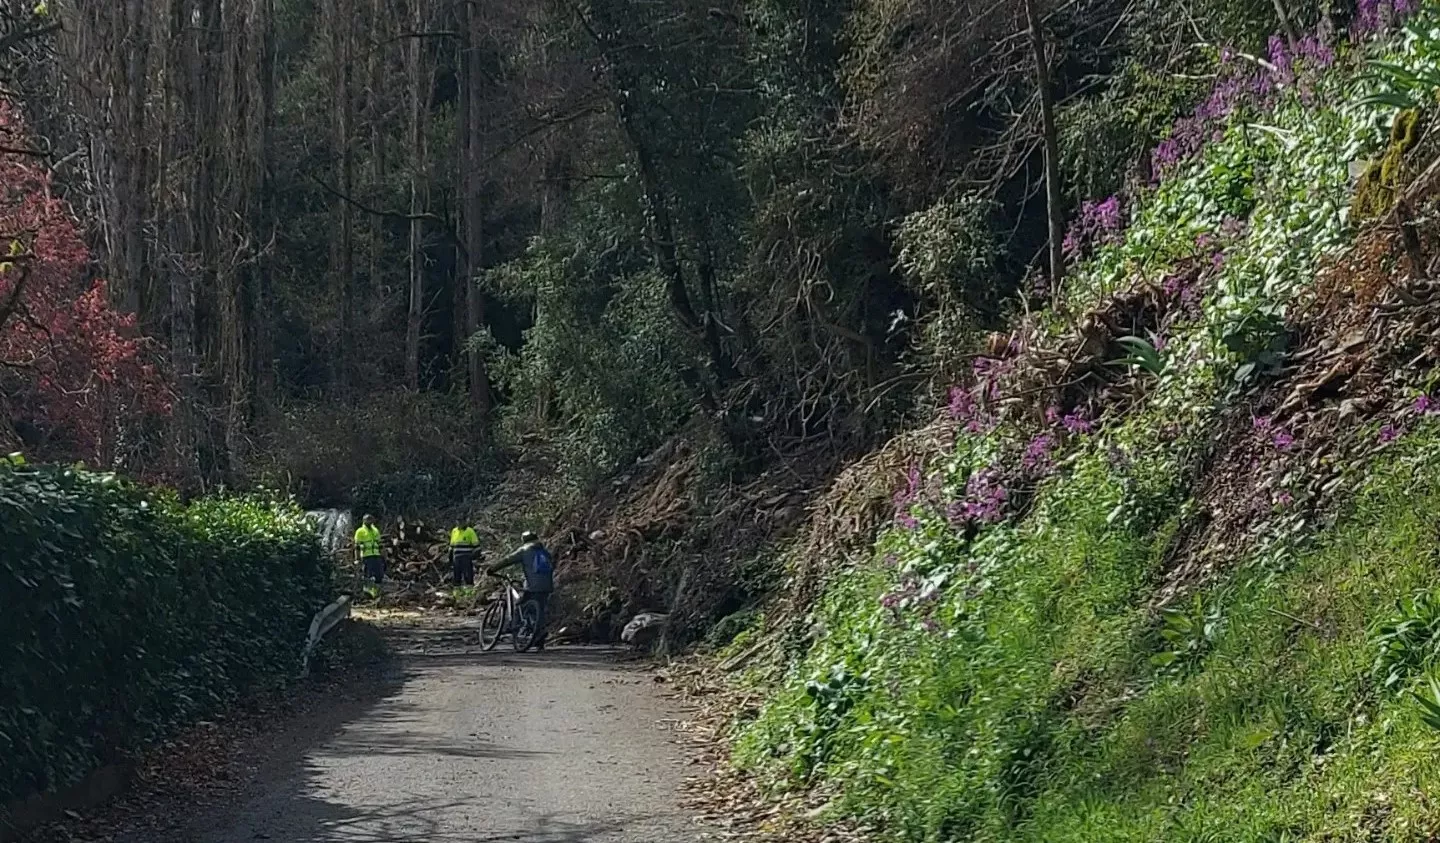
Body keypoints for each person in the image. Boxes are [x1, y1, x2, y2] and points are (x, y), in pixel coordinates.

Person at [486, 530, 555, 650]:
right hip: (547, 585)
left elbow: (507, 560)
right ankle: (539, 636)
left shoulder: (524, 550)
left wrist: (492, 569)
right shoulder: (544, 552)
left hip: (533, 586)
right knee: (540, 609)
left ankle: (516, 627)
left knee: (520, 604)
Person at [354, 514, 384, 585]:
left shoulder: (375, 530)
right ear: (364, 521)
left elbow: (380, 545)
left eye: (371, 519)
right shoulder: (360, 531)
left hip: (376, 556)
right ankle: (367, 591)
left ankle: (377, 591)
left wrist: (383, 556)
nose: (370, 521)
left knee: (379, 575)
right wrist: (357, 559)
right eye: (368, 519)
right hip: (366, 556)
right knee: (367, 575)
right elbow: (357, 547)